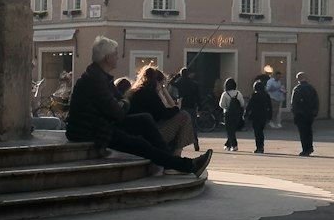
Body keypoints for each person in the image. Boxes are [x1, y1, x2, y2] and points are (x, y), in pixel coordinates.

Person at [66, 37, 212, 177]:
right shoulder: (95, 80)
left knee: (145, 119)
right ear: (107, 57)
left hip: (102, 124)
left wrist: (122, 103)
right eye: (115, 54)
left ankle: (175, 163)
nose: (118, 57)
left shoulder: (101, 76)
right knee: (139, 143)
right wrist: (122, 104)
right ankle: (188, 165)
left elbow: (121, 102)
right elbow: (118, 112)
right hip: (90, 130)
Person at [126, 64, 196, 155]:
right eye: (162, 84)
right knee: (184, 116)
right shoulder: (149, 93)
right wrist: (175, 107)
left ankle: (174, 156)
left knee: (180, 120)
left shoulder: (136, 92)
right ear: (157, 82)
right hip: (147, 136)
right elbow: (164, 113)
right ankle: (176, 157)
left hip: (138, 133)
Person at [290, 71, 319, 156]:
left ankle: (305, 149)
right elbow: (316, 101)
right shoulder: (311, 88)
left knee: (303, 132)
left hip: (300, 114)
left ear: (298, 79)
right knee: (309, 131)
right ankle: (309, 147)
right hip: (310, 113)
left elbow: (294, 102)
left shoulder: (297, 89)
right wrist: (315, 111)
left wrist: (294, 112)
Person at [246, 76, 273, 154]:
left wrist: (246, 113)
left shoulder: (254, 95)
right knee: (261, 131)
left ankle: (259, 147)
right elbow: (270, 107)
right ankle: (261, 146)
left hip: (255, 116)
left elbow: (249, 106)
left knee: (257, 132)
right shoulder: (266, 96)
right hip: (263, 116)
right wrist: (270, 116)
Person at [220, 77, 245, 152]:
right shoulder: (238, 93)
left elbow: (221, 104)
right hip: (237, 114)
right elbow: (242, 103)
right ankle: (227, 144)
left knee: (229, 130)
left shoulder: (225, 94)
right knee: (232, 130)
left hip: (228, 114)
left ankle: (234, 145)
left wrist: (227, 107)